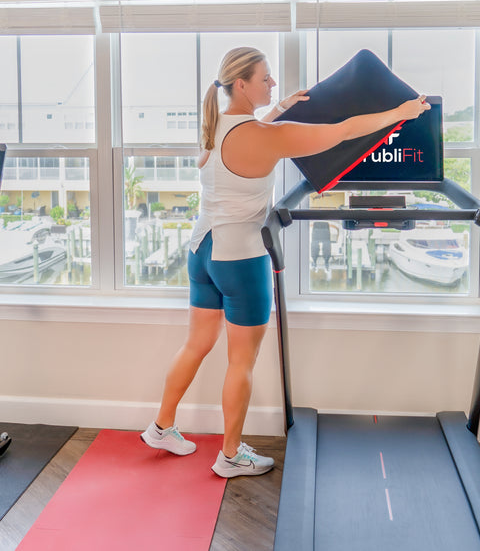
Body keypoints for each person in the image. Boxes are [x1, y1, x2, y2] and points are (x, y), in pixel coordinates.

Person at [140, 46, 430, 478]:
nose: (272, 84)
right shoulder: (265, 136)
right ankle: (231, 455)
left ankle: (161, 427)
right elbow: (345, 130)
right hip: (241, 259)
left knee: (196, 344)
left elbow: (244, 137)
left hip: (202, 251)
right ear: (241, 84)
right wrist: (401, 111)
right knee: (241, 362)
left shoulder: (214, 126)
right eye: (265, 79)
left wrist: (279, 108)